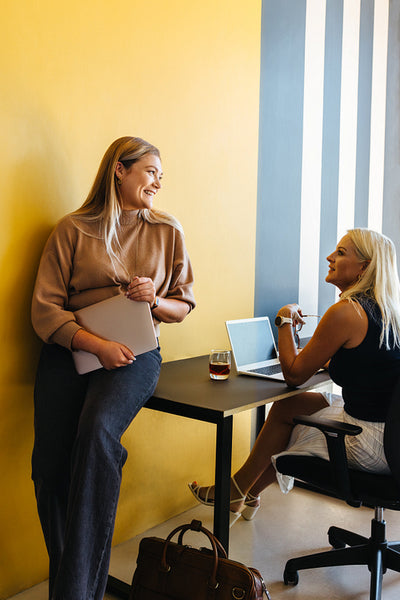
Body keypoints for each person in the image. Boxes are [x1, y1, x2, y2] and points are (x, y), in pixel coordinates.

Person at [31, 136, 195, 600]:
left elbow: (183, 305)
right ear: (118, 171)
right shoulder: (71, 230)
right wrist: (95, 345)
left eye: (161, 175)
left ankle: (76, 592)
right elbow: (45, 311)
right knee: (49, 467)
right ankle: (74, 580)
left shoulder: (167, 230)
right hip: (72, 350)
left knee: (98, 434)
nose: (158, 182)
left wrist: (155, 299)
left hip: (135, 355)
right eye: (150, 171)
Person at [189, 228, 400, 526]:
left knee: (289, 420)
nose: (330, 257)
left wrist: (284, 317)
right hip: (390, 435)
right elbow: (370, 363)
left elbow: (293, 375)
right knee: (289, 408)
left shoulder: (346, 312)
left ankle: (234, 492)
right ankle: (243, 493)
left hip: (372, 445)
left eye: (340, 253)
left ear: (363, 267)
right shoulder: (385, 310)